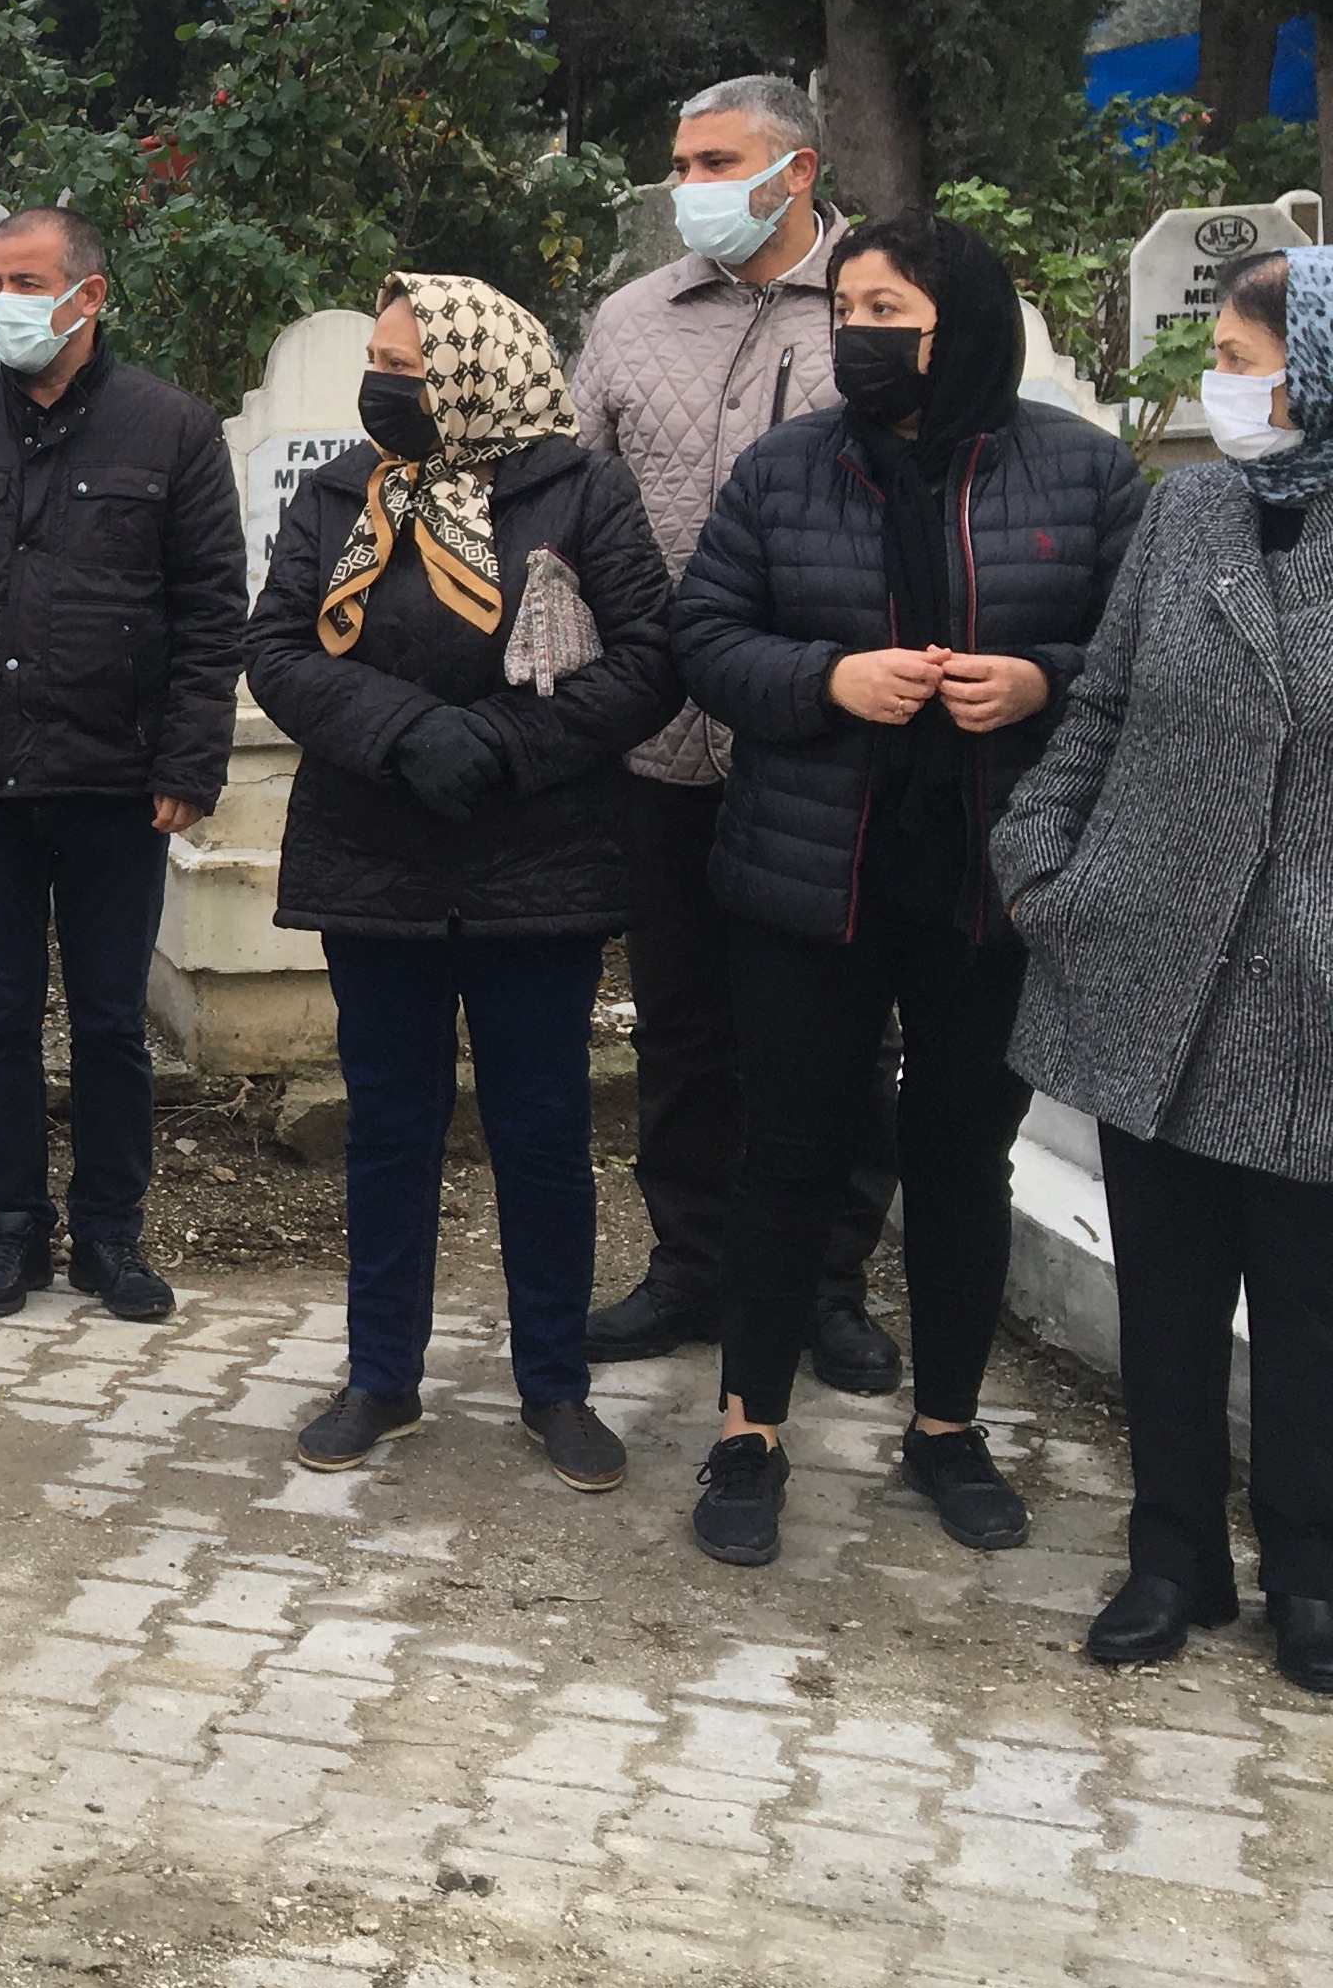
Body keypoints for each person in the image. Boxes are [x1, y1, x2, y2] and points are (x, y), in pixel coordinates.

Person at [671, 209, 1140, 1570]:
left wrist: (1042, 684)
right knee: (787, 1155)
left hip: (988, 891)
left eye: (890, 317)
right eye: (849, 315)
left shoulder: (1082, 472)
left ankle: (945, 1428)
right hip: (810, 879)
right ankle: (749, 1429)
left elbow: (1132, 648)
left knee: (956, 1160)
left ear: (969, 327)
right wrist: (828, 681)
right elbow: (706, 637)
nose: (857, 339)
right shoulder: (785, 470)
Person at [244, 276, 678, 1488]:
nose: (383, 385)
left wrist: (499, 746)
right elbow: (277, 649)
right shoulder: (344, 495)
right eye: (376, 361)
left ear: (478, 372)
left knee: (541, 1130)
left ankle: (555, 1386)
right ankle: (381, 1376)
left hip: (536, 864)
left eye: (407, 363)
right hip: (373, 861)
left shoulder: (579, 492)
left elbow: (650, 660)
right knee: (390, 1125)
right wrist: (399, 729)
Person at [993, 245, 1333, 1689]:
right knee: (1171, 1293)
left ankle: (1310, 1576)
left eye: (1246, 363)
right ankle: (1171, 1553)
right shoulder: (1189, 507)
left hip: (1309, 989)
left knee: (1310, 1306)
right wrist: (1038, 854)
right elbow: (1106, 700)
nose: (1224, 390)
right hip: (1147, 955)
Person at [569, 76, 902, 1389]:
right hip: (661, 745)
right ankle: (694, 1265)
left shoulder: (870, 316)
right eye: (678, 161)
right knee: (684, 1022)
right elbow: (570, 502)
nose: (686, 185)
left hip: (826, 746)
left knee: (841, 1028)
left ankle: (827, 1282)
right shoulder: (629, 321)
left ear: (797, 169)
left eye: (714, 160)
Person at [0, 201, 246, 1323]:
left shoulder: (170, 429)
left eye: (26, 282)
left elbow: (209, 611)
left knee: (111, 1018)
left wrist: (190, 758)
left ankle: (112, 1234)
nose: (5, 305)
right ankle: (13, 1227)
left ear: (90, 294)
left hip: (115, 778)